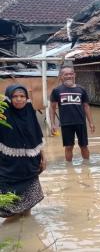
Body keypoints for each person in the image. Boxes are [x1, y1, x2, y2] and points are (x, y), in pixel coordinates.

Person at [0, 84, 46, 219]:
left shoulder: (30, 112)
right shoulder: (2, 115)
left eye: (22, 96)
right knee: (8, 207)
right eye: (15, 96)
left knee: (27, 207)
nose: (19, 99)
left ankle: (26, 229)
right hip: (8, 167)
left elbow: (37, 136)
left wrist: (44, 157)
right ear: (9, 98)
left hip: (30, 166)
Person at [50, 66, 95, 162]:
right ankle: (69, 168)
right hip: (66, 123)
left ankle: (87, 167)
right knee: (68, 147)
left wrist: (91, 122)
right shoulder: (57, 91)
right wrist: (53, 124)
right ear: (61, 76)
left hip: (81, 123)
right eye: (66, 74)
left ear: (74, 75)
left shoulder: (81, 89)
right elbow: (53, 108)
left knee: (84, 146)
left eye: (71, 74)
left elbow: (86, 106)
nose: (69, 76)